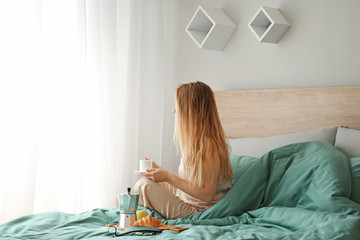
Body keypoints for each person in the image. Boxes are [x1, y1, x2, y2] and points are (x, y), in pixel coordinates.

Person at [134, 81, 233, 219]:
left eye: (178, 105)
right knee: (143, 186)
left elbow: (206, 195)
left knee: (143, 185)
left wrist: (168, 176)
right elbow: (192, 183)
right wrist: (161, 173)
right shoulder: (197, 142)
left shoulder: (208, 144)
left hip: (198, 212)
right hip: (188, 200)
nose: (174, 110)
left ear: (191, 110)